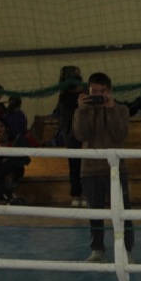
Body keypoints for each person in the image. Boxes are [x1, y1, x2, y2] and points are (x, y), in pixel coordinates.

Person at [72, 72, 132, 263]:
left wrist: (111, 109)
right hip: (90, 169)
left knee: (123, 213)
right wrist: (82, 111)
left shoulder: (121, 109)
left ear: (110, 91)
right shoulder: (81, 110)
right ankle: (97, 250)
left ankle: (126, 251)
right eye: (94, 91)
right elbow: (81, 135)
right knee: (94, 213)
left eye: (102, 91)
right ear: (88, 92)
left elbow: (120, 134)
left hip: (116, 168)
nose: (98, 95)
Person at [54, 66, 85, 207]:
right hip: (71, 136)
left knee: (83, 166)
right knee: (75, 166)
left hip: (82, 135)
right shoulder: (65, 98)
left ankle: (82, 194)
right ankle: (76, 194)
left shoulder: (81, 97)